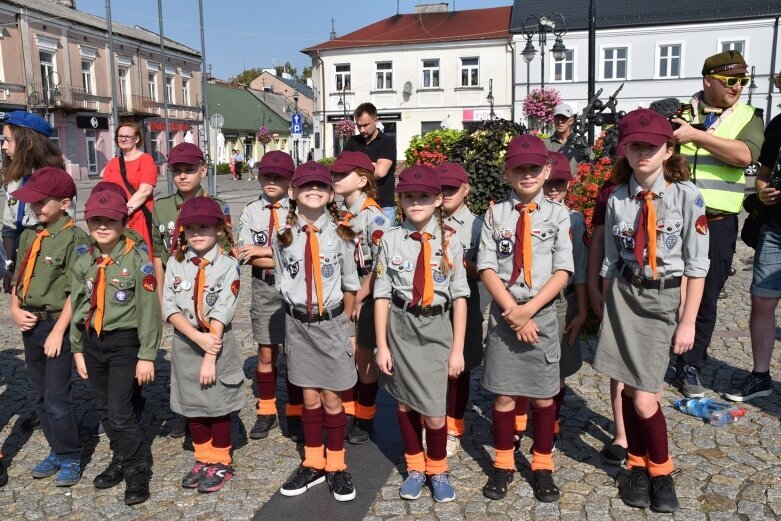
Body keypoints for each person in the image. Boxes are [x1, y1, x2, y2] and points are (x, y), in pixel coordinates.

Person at [594, 109, 709, 513]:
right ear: (624, 149)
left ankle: (661, 473)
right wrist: (604, 304)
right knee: (626, 384)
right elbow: (610, 259)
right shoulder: (617, 199)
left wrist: (688, 321)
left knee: (645, 398)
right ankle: (636, 466)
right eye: (635, 144)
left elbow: (698, 267)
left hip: (664, 299)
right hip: (624, 295)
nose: (643, 152)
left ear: (669, 149)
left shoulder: (687, 196)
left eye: (652, 145)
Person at [478, 135, 573, 503]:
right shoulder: (494, 214)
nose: (528, 174)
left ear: (547, 171)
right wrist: (513, 313)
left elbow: (564, 268)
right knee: (504, 397)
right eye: (520, 168)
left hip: (542, 315)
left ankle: (542, 465)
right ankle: (503, 464)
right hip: (505, 316)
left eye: (535, 167)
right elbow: (487, 266)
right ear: (508, 172)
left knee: (544, 398)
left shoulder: (558, 214)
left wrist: (528, 311)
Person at [672, 50, 765, 397]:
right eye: (730, 81)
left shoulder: (748, 116)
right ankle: (666, 349)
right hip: (675, 218)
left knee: (707, 294)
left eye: (743, 81)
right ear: (708, 80)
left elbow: (746, 155)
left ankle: (692, 364)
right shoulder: (681, 111)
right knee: (669, 289)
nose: (738, 87)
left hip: (716, 222)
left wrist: (698, 137)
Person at [374, 165, 468, 503]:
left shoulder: (449, 242)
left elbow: (460, 298)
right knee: (404, 404)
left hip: (436, 328)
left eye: (424, 196)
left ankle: (438, 469)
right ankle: (415, 467)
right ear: (400, 200)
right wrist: (381, 346)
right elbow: (382, 295)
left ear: (438, 199)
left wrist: (457, 349)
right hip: (400, 327)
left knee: (434, 409)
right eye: (409, 196)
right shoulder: (391, 240)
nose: (416, 202)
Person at [70, 189, 162, 506]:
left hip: (125, 342)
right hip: (93, 342)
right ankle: (120, 458)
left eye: (111, 220)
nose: (103, 225)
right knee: (105, 409)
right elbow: (79, 305)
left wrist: (147, 355)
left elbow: (149, 312)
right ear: (88, 221)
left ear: (123, 221)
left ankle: (137, 471)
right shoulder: (84, 258)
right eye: (96, 219)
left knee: (121, 412)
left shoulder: (138, 261)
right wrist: (77, 349)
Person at [275, 161, 360, 502]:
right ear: (294, 193)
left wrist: (348, 327)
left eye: (321, 186)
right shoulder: (282, 234)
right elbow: (283, 277)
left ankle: (336, 464)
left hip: (332, 323)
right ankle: (313, 462)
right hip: (298, 323)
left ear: (330, 194)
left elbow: (351, 283)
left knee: (332, 396)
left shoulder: (342, 234)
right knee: (309, 396)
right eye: (306, 186)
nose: (314, 190)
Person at [9, 167, 89, 487]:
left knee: (57, 396)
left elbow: (77, 290)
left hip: (58, 326)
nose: (35, 207)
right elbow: (18, 281)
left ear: (65, 203)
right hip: (31, 325)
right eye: (32, 202)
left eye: (43, 202)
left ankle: (71, 454)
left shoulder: (75, 238)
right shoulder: (30, 234)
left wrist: (59, 331)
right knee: (40, 395)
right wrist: (14, 309)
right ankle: (56, 448)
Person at [162, 196, 243, 493]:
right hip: (186, 341)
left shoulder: (228, 265)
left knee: (217, 403)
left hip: (217, 340)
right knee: (193, 404)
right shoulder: (175, 263)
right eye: (191, 228)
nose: (197, 233)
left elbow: (223, 308)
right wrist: (195, 337)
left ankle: (221, 459)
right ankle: (203, 457)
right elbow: (169, 307)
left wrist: (210, 352)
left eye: (204, 228)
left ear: (219, 230)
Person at [151, 142, 231, 438]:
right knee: (183, 355)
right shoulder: (161, 208)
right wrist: (161, 299)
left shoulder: (218, 204)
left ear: (203, 170)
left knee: (209, 350)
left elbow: (227, 252)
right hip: (175, 292)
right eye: (177, 171)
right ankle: (186, 412)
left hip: (208, 293)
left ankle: (211, 409)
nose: (183, 176)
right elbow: (159, 255)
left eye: (189, 169)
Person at [235, 151, 302, 441]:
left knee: (297, 351)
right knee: (266, 351)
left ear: (290, 180)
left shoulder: (299, 209)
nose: (272, 180)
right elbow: (245, 254)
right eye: (266, 175)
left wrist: (263, 251)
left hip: (298, 287)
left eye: (279, 176)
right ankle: (266, 410)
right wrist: (275, 254)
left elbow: (302, 252)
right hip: (265, 288)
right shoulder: (251, 211)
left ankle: (296, 409)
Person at [330, 151, 391, 445]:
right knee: (344, 353)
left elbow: (381, 263)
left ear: (363, 180)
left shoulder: (373, 217)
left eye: (343, 175)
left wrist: (360, 297)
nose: (336, 179)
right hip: (340, 291)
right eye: (335, 174)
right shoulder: (338, 212)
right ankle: (346, 410)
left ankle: (365, 416)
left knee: (363, 354)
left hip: (364, 292)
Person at [725, 96, 781, 402]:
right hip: (775, 229)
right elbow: (762, 174)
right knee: (761, 300)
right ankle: (760, 376)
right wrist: (763, 193)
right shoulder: (777, 126)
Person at [434, 162, 483, 457]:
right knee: (433, 365)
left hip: (465, 302)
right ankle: (434, 419)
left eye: (453, 187)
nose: (446, 193)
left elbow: (488, 269)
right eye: (441, 188)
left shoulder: (479, 224)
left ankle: (454, 426)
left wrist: (458, 262)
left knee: (459, 368)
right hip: (432, 304)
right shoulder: (426, 219)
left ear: (466, 189)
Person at [540, 151, 588, 443]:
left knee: (557, 363)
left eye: (561, 183)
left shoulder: (574, 220)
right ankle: (520, 419)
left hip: (563, 299)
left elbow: (580, 268)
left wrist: (582, 310)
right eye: (550, 183)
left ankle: (552, 419)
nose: (554, 189)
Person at [1, 111, 67, 294]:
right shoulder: (15, 177)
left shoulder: (55, 179)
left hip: (45, 259)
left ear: (28, 144)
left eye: (8, 140)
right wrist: (9, 266)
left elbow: (62, 231)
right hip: (19, 254)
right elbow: (9, 226)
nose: (3, 146)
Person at [587, 178, 628, 465]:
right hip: (617, 282)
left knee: (651, 364)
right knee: (618, 361)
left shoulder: (677, 188)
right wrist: (592, 285)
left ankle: (647, 422)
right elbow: (600, 238)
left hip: (658, 289)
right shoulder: (611, 189)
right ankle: (623, 434)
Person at [101, 120, 158, 254]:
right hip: (115, 218)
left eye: (127, 136)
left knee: (140, 255)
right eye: (120, 136)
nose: (123, 139)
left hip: (138, 217)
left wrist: (123, 213)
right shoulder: (112, 163)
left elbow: (145, 191)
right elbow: (106, 191)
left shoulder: (146, 159)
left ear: (136, 139)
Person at [343, 103, 397, 223]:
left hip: (382, 205)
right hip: (355, 205)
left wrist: (355, 167)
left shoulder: (387, 142)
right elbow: (343, 169)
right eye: (358, 125)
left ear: (376, 120)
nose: (362, 130)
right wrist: (371, 165)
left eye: (366, 125)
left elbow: (380, 172)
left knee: (383, 242)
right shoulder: (352, 142)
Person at [543, 104, 591, 170]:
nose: (560, 121)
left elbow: (592, 164)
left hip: (576, 180)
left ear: (571, 121)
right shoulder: (545, 144)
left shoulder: (581, 142)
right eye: (557, 117)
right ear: (553, 120)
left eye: (564, 118)